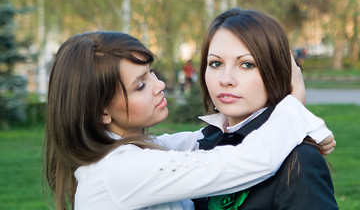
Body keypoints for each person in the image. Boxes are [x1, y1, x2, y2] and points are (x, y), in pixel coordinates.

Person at [43, 31, 334, 210]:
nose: (159, 85)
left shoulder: (138, 150)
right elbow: (251, 159)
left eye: (151, 73)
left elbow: (210, 138)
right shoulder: (118, 171)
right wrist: (293, 104)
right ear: (101, 112)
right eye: (140, 85)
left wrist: (305, 124)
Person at [193, 8, 338, 209]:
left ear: (277, 71)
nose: (225, 79)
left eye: (246, 65)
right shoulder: (203, 144)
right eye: (216, 63)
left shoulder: (298, 161)